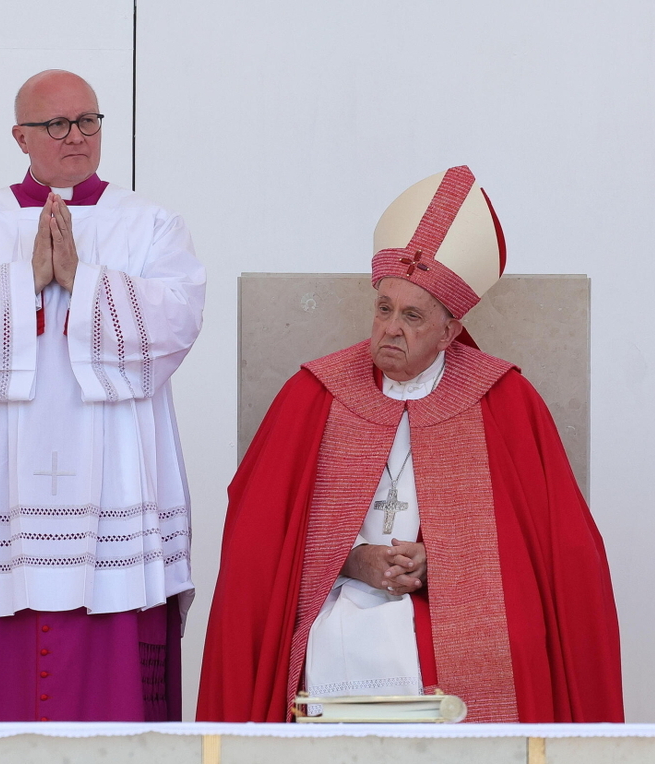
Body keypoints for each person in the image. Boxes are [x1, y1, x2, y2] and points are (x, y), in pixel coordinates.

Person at [197, 166, 623, 723]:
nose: (391, 328)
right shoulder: (314, 394)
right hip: (336, 591)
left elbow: (558, 549)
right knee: (332, 641)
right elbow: (258, 541)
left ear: (449, 332)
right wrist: (351, 559)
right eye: (384, 308)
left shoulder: (503, 400)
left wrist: (441, 560)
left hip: (453, 600)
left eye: (412, 316)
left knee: (511, 640)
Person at [0, 69, 205, 721]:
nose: (76, 136)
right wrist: (26, 280)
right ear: (21, 136)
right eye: (57, 124)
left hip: (115, 474)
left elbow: (177, 324)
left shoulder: (151, 225)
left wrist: (82, 281)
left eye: (88, 121)